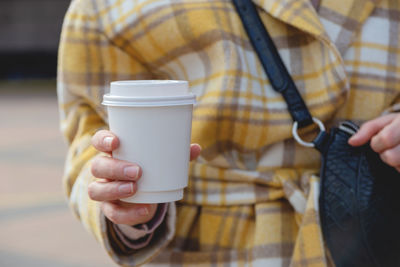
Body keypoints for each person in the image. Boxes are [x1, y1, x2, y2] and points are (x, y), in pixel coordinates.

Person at [57, 0, 400, 266]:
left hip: (374, 233)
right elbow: (88, 133)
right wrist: (124, 198)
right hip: (208, 247)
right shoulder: (106, 8)